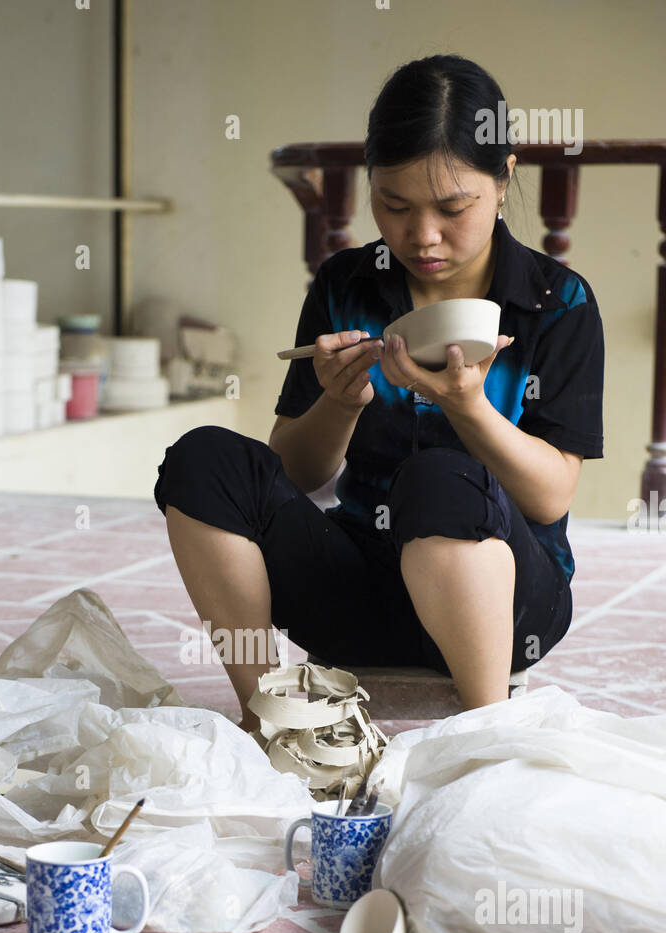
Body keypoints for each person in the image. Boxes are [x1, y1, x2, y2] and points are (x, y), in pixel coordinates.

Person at [154, 54, 605, 730]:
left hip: (508, 602)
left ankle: (486, 736)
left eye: (454, 208)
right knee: (205, 461)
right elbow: (297, 474)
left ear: (504, 174)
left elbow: (550, 496)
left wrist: (469, 407)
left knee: (443, 479)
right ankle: (268, 720)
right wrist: (339, 402)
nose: (422, 236)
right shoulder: (346, 286)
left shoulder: (555, 302)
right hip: (361, 595)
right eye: (394, 206)